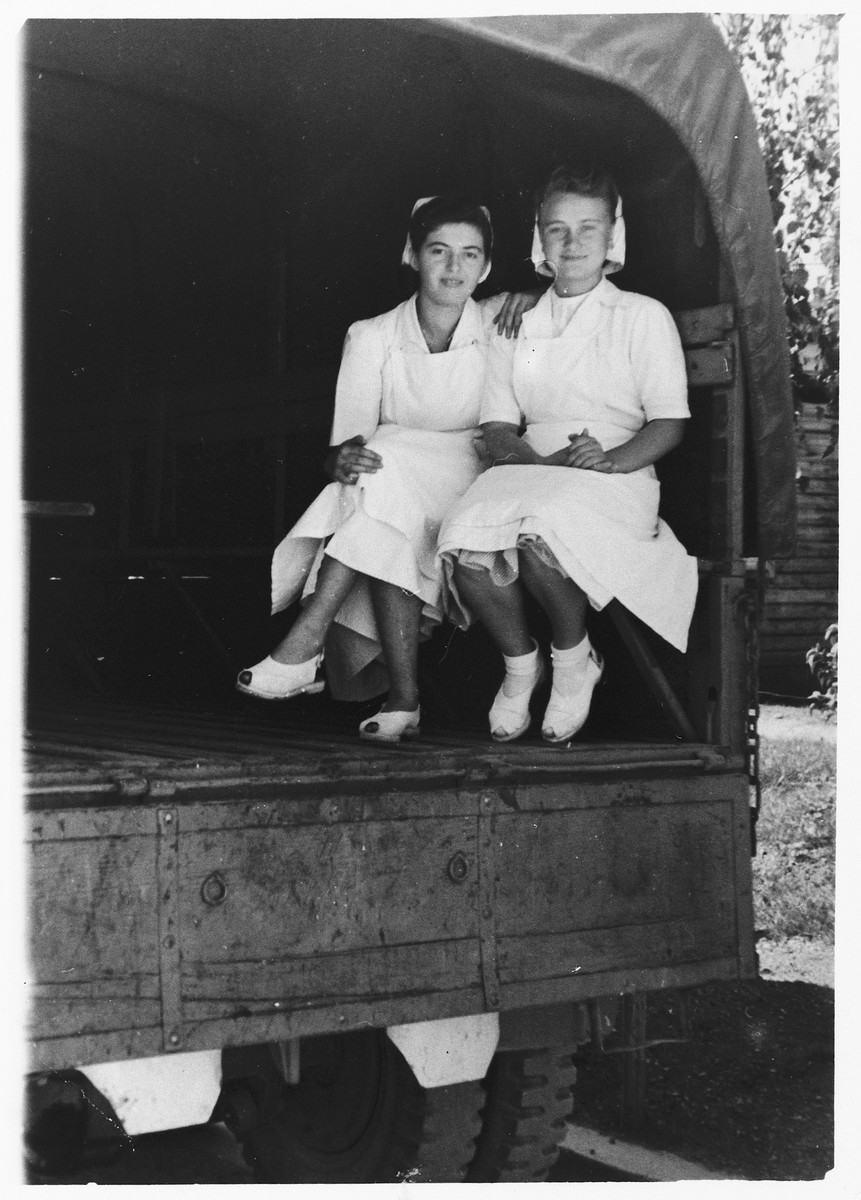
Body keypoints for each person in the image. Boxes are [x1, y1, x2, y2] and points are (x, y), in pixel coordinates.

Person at [237, 195, 534, 742]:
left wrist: (528, 294)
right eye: (439, 251)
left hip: (472, 477)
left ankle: (308, 642)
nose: (453, 267)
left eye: (470, 255)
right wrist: (340, 459)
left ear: (486, 266)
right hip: (393, 479)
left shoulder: (500, 319)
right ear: (413, 255)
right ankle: (401, 699)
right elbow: (349, 445)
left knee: (382, 471)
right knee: (379, 475)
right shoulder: (371, 334)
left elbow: (569, 300)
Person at [437, 164, 698, 745]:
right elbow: (499, 427)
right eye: (557, 229)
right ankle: (519, 665)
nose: (572, 243)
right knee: (462, 535)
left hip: (613, 474)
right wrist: (540, 462)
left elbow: (670, 424)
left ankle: (573, 661)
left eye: (588, 228)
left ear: (613, 236)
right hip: (532, 467)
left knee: (538, 537)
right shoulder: (518, 320)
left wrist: (612, 459)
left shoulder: (641, 316)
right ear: (539, 238)